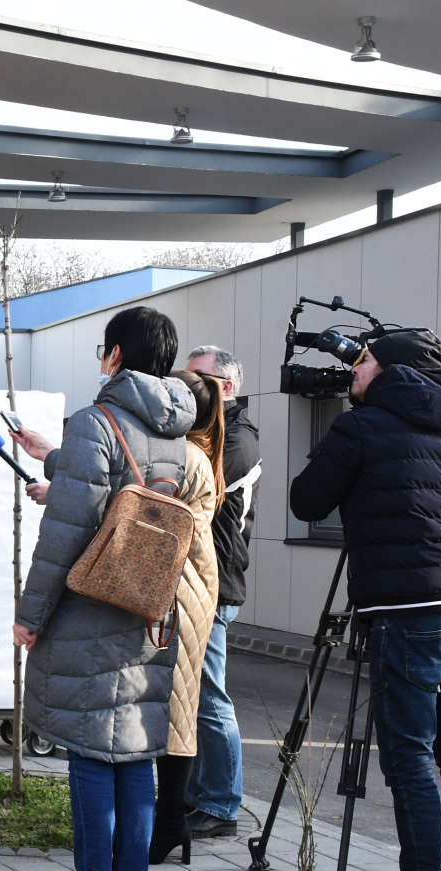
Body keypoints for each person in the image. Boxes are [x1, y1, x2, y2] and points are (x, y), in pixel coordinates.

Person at [291, 329, 441, 871]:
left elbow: (306, 500)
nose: (353, 371)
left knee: (409, 758)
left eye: (362, 362)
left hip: (408, 609)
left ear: (387, 372)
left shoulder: (363, 428)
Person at [9, 306, 194, 871]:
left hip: (90, 605)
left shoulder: (98, 422)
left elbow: (66, 533)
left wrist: (30, 616)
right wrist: (55, 457)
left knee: (91, 751)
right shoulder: (181, 438)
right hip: (149, 610)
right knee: (136, 756)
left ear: (115, 355)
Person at [184, 346, 260, 839]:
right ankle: (193, 797)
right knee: (189, 697)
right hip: (197, 581)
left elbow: (189, 493)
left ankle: (221, 804)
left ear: (225, 387)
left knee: (209, 695)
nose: (187, 387)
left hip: (217, 583)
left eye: (198, 379)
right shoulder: (206, 432)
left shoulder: (238, 441)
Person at [151, 371, 223, 865]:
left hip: (179, 590)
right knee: (177, 706)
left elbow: (148, 514)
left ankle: (170, 823)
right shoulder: (197, 453)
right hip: (191, 587)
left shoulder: (184, 457)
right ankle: (169, 821)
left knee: (176, 710)